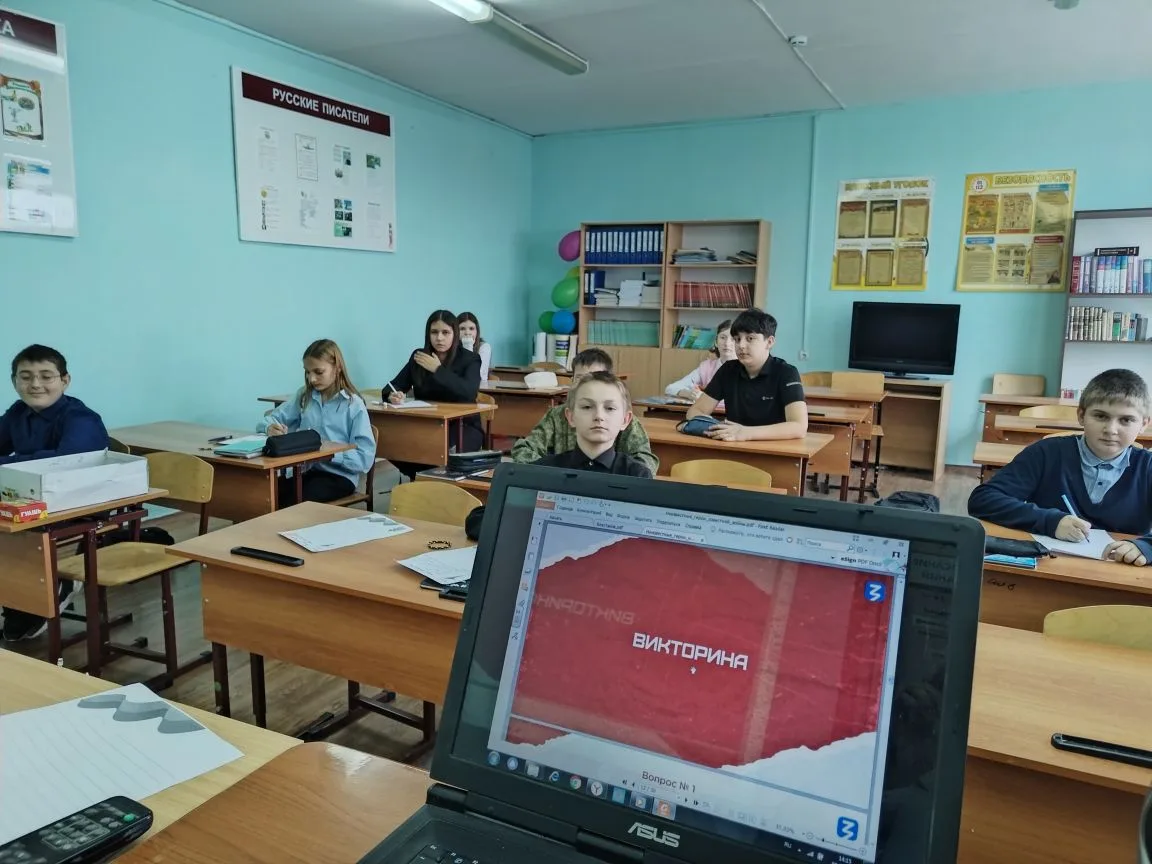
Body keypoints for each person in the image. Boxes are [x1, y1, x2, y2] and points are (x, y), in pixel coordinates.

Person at [969, 368, 1152, 566]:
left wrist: (1146, 547)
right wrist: (1050, 521)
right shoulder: (1046, 453)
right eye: (1100, 416)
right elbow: (983, 499)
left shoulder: (1148, 467)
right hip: (1049, 566)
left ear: (1144, 424)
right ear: (1081, 415)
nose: (1111, 429)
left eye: (1126, 420)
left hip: (1121, 571)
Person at [1, 344, 109, 642]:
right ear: (14, 381)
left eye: (46, 376)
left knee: (13, 530)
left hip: (78, 505)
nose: (35, 384)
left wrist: (9, 462)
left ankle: (47, 590)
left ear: (65, 380)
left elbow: (62, 464)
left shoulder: (81, 418)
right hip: (31, 498)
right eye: (26, 377)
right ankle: (18, 596)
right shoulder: (18, 412)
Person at [467, 371, 651, 538]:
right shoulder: (546, 471)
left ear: (625, 420)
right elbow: (476, 523)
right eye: (587, 407)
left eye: (609, 408)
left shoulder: (637, 475)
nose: (599, 416)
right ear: (570, 417)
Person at [259, 339, 375, 505]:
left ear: (337, 368)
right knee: (266, 493)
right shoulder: (305, 396)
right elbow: (268, 419)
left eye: (319, 372)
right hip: (304, 472)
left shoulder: (353, 405)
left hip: (339, 476)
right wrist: (270, 427)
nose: (312, 379)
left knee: (294, 501)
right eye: (307, 372)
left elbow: (364, 458)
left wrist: (330, 454)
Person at [511, 347, 658, 474]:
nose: (590, 385)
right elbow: (524, 450)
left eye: (597, 377)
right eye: (581, 379)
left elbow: (645, 462)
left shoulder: (620, 419)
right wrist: (554, 473)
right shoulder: (557, 415)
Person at [686, 307, 808, 441]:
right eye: (737, 339)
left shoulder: (787, 372)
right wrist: (720, 429)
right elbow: (695, 411)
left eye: (750, 338)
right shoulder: (728, 370)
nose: (741, 345)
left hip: (774, 447)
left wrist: (745, 433)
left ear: (769, 342)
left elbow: (799, 427)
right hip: (733, 445)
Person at [386, 310, 483, 478]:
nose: (439, 338)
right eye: (434, 332)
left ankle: (434, 482)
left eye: (445, 332)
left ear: (455, 334)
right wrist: (392, 395)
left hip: (463, 426)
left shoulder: (470, 359)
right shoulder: (420, 357)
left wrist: (437, 369)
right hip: (427, 425)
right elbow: (393, 386)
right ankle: (422, 480)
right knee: (393, 445)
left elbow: (468, 392)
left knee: (443, 452)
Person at [664, 319, 734, 408]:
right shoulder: (706, 367)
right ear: (716, 342)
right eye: (723, 337)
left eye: (733, 339)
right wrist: (689, 393)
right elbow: (670, 388)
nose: (727, 343)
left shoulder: (747, 368)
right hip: (707, 413)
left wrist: (706, 398)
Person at [457, 312, 491, 382]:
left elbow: (475, 375)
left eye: (471, 328)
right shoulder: (453, 347)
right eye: (462, 329)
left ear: (477, 331)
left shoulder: (484, 347)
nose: (467, 333)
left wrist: (468, 346)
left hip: (480, 386)